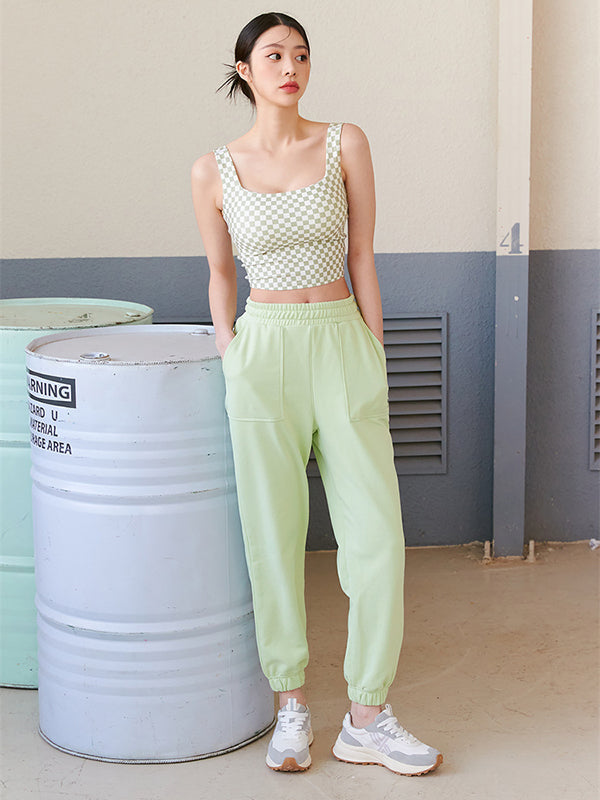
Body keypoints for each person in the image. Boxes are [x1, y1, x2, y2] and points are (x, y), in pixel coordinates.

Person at [191, 11, 442, 776]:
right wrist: (233, 352)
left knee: (376, 540)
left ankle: (367, 714)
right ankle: (291, 706)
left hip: (341, 342)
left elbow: (362, 252)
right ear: (244, 70)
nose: (290, 66)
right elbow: (221, 275)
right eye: (273, 55)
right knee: (273, 538)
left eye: (300, 54)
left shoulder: (345, 143)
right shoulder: (213, 169)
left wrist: (373, 350)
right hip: (262, 349)